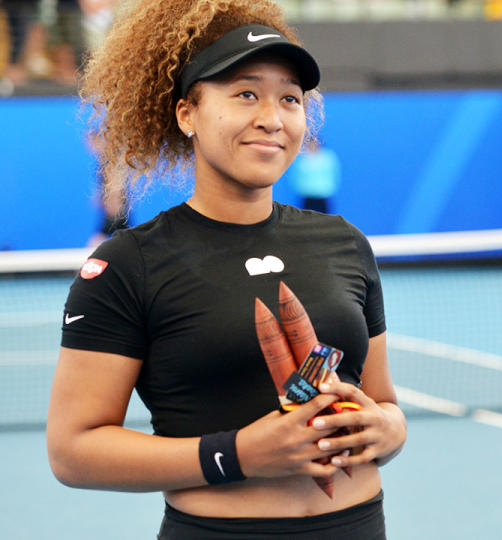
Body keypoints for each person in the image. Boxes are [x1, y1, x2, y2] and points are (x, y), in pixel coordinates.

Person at [46, 1, 406, 538]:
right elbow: (73, 451)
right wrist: (236, 455)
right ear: (186, 112)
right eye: (245, 94)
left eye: (289, 98)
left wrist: (387, 430)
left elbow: (384, 405)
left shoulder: (344, 243)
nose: (272, 117)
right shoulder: (127, 265)